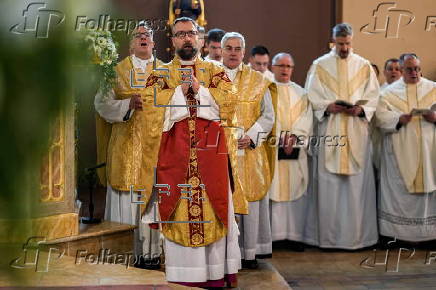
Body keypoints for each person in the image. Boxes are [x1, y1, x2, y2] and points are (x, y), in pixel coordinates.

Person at [144, 17, 240, 287]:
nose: (186, 38)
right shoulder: (160, 73)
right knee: (179, 210)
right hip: (175, 158)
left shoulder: (216, 70)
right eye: (180, 34)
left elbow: (231, 104)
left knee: (215, 207)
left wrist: (200, 91)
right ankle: (183, 277)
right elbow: (151, 112)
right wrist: (178, 92)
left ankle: (215, 273)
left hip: (212, 155)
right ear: (172, 40)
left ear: (199, 38)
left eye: (191, 34)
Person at [305, 23, 380, 249]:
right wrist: (327, 107)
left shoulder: (364, 66)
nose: (344, 48)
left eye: (347, 43)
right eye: (340, 44)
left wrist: (362, 110)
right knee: (330, 187)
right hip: (332, 130)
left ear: (352, 41)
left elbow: (374, 96)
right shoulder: (320, 65)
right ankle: (328, 239)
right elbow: (310, 97)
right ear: (333, 41)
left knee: (358, 188)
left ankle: (358, 238)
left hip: (356, 132)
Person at [94, 22, 163, 269]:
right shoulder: (115, 71)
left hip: (156, 150)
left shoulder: (167, 72)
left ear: (153, 43)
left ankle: (151, 254)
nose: (143, 38)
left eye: (147, 35)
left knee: (153, 201)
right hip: (125, 149)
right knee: (126, 198)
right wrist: (126, 106)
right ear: (131, 44)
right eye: (138, 36)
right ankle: (123, 256)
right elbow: (101, 105)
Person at [221, 32, 276, 268]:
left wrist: (251, 136)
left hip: (249, 153)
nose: (233, 53)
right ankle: (223, 254)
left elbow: (269, 116)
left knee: (250, 200)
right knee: (224, 200)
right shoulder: (210, 77)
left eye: (237, 49)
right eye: (229, 48)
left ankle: (249, 253)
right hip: (219, 152)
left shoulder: (258, 80)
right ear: (222, 51)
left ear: (244, 53)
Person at [375, 53, 436, 242]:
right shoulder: (387, 93)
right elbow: (379, 117)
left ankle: (429, 236)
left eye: (417, 68)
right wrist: (398, 119)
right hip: (400, 152)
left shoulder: (433, 88)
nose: (414, 73)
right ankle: (396, 236)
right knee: (399, 189)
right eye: (409, 69)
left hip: (428, 152)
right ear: (402, 70)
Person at [269, 53, 313, 250]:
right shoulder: (266, 92)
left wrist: (294, 137)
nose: (285, 69)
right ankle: (274, 237)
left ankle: (295, 236)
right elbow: (265, 117)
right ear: (273, 67)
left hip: (295, 150)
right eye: (281, 66)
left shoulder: (302, 93)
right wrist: (279, 137)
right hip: (273, 148)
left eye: (289, 66)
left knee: (296, 190)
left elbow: (307, 118)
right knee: (274, 189)